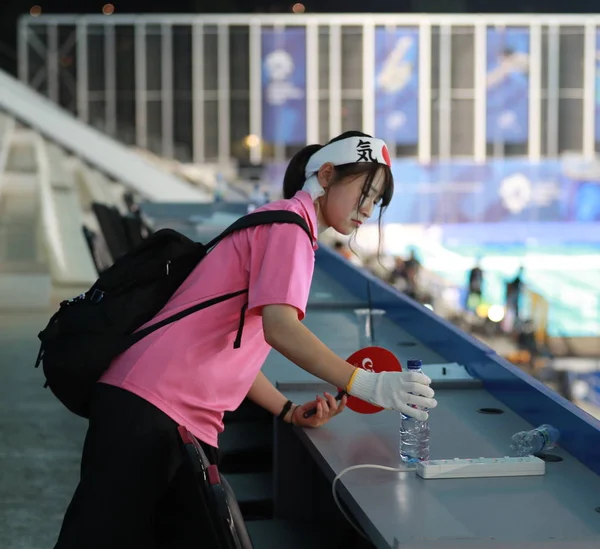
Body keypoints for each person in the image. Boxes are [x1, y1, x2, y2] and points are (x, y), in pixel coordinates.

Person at [53, 131, 438, 548]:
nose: (367, 210)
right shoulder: (291, 228)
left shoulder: (285, 222)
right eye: (365, 192)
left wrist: (288, 409)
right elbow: (281, 328)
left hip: (169, 413)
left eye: (375, 201)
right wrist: (367, 383)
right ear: (326, 175)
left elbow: (236, 346)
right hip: (152, 409)